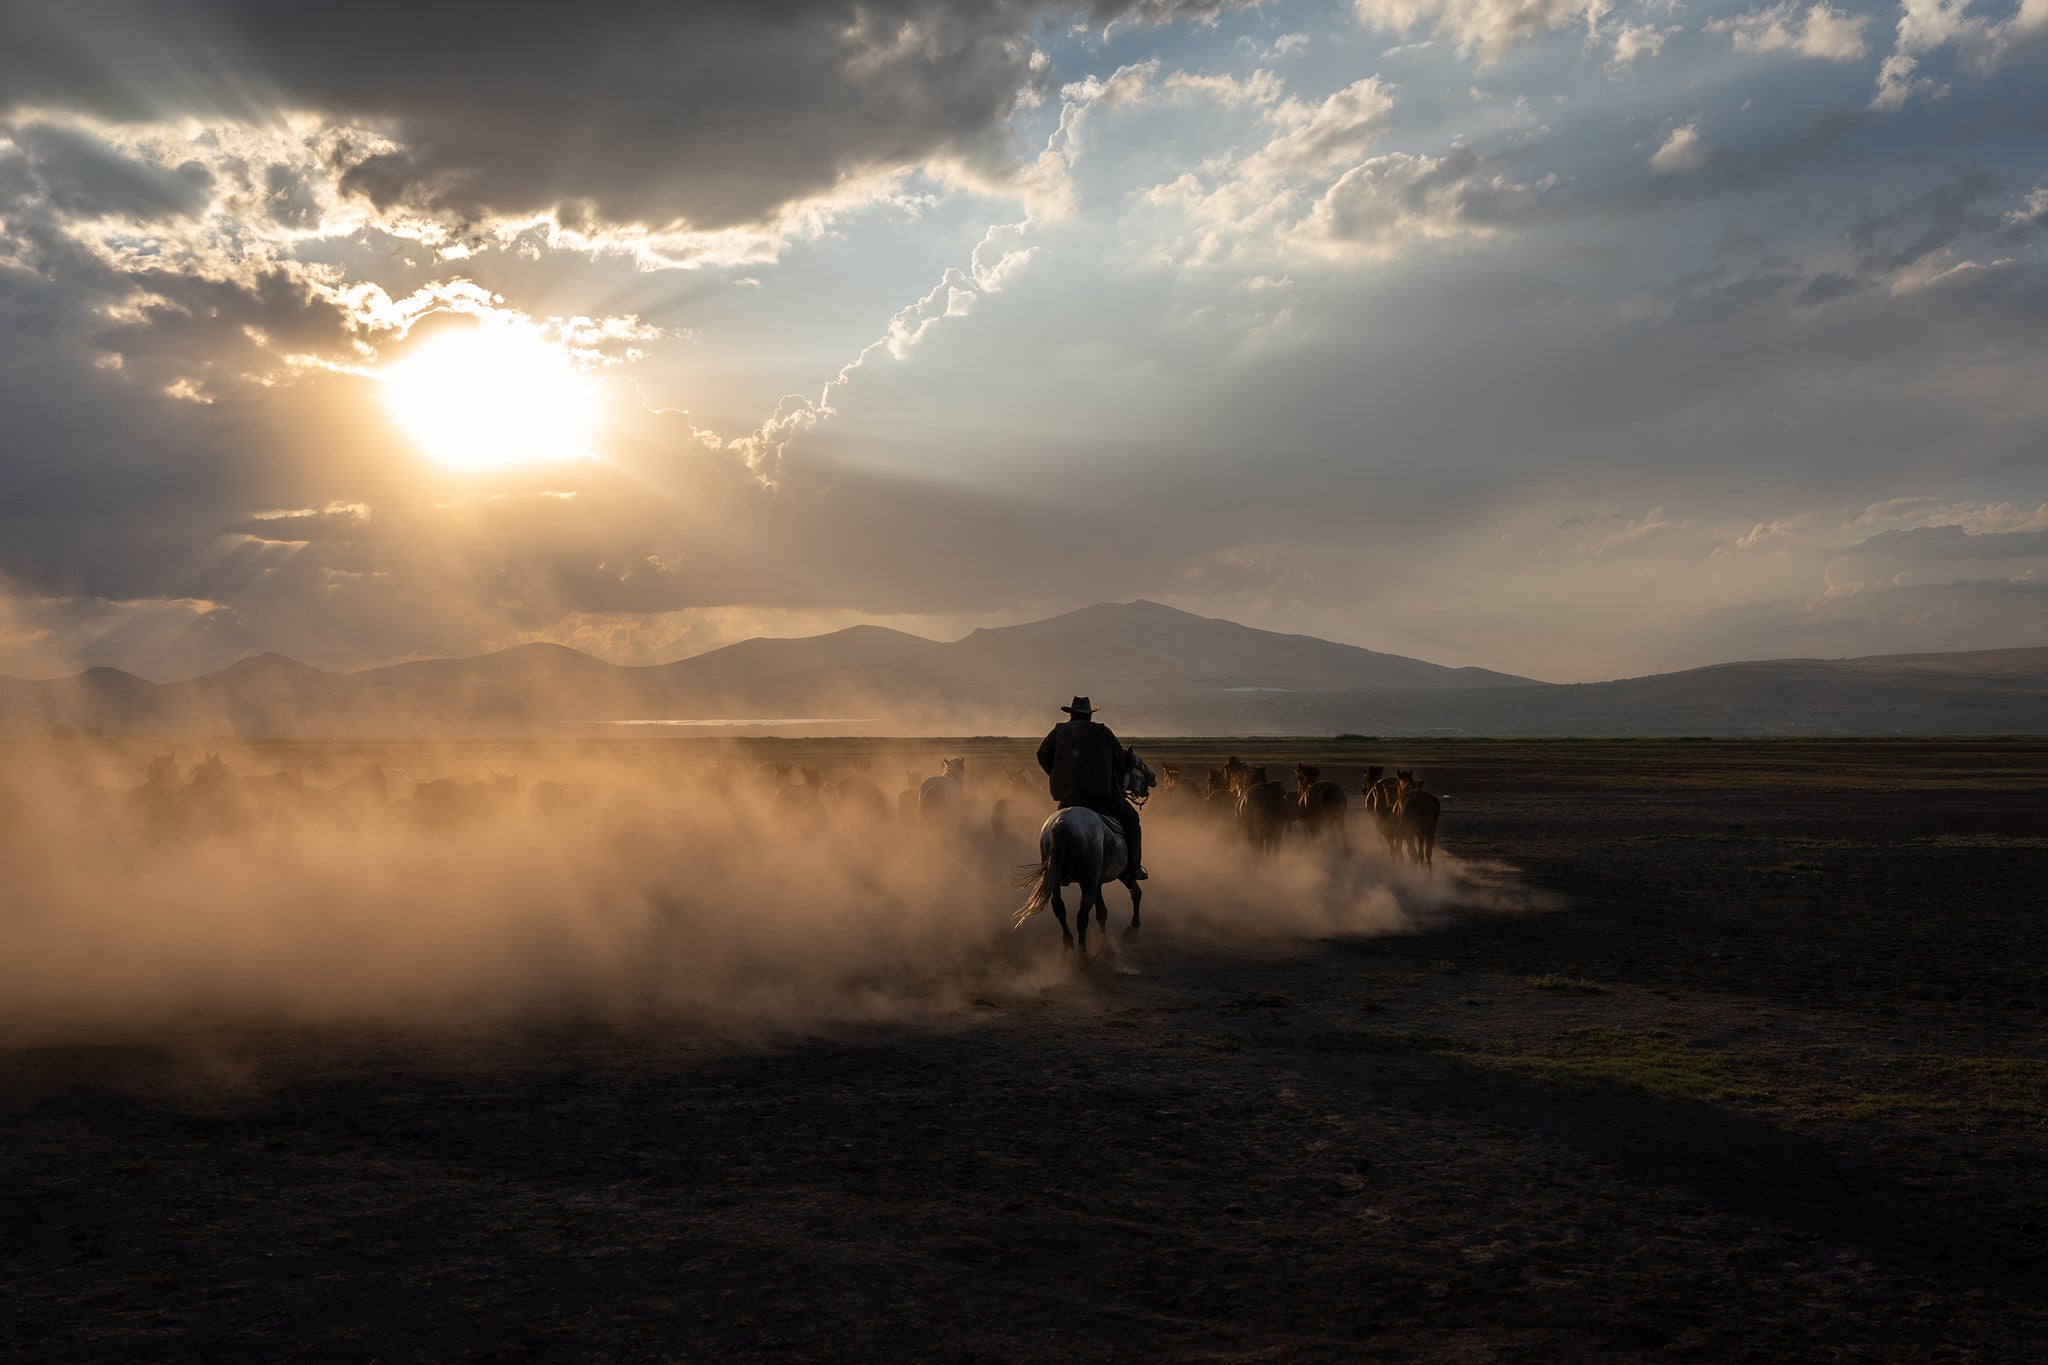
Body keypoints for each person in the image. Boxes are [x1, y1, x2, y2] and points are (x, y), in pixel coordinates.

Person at [1035, 696, 1146, 880]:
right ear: (1090, 716)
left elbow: (1042, 757)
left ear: (1071, 714)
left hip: (1069, 798)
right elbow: (1121, 761)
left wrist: (1058, 774)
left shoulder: (1058, 731)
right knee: (1132, 819)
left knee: (1056, 827)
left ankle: (1053, 871)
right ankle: (1134, 868)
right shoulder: (1103, 732)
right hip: (1100, 797)